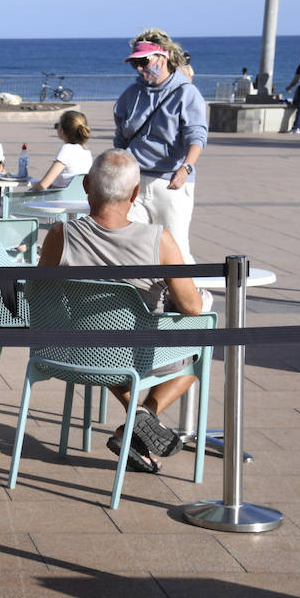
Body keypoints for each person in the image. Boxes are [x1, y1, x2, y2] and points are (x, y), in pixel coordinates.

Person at [38, 149, 208, 474]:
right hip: (142, 354)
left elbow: (41, 294)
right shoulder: (159, 240)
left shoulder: (60, 236)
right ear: (135, 193)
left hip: (77, 351)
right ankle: (141, 418)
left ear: (86, 186)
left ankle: (135, 421)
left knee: (100, 340)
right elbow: (192, 307)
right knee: (197, 351)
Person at [113, 37, 207, 265]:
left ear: (163, 57)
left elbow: (197, 136)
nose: (139, 68)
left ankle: (191, 289)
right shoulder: (132, 94)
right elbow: (121, 136)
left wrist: (185, 168)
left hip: (170, 183)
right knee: (128, 246)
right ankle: (143, 289)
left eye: (144, 61)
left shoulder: (186, 93)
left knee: (176, 250)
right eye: (134, 63)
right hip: (134, 182)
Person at [31, 110, 92, 191]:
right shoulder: (87, 152)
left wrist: (24, 195)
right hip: (80, 197)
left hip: (61, 198)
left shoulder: (67, 150)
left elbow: (43, 185)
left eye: (57, 126)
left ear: (62, 130)